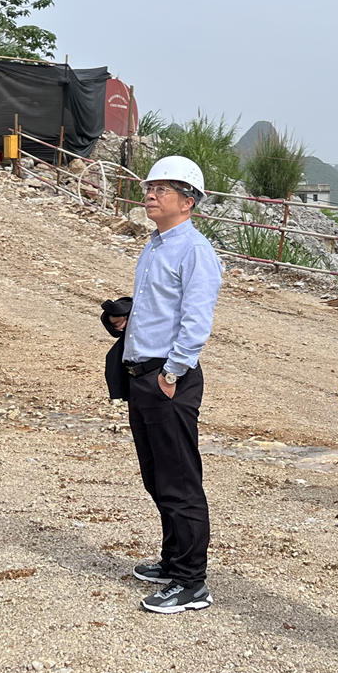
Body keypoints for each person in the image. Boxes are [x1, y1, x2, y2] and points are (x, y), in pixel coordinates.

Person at [112, 155, 223, 615]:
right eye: (150, 187)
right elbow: (161, 309)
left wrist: (172, 372)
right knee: (156, 475)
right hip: (144, 375)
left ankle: (191, 582)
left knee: (179, 480)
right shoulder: (156, 245)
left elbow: (196, 321)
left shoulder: (194, 250)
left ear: (188, 200)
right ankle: (173, 559)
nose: (151, 194)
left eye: (162, 188)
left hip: (169, 379)